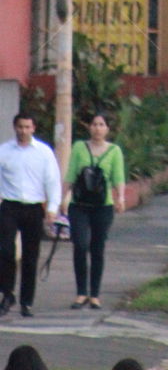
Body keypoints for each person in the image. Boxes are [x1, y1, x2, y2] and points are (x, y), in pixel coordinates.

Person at [0, 112, 62, 318]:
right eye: (20, 127)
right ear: (14, 128)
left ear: (33, 128)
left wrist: (53, 207)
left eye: (27, 127)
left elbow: (52, 181)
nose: (23, 131)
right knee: (6, 251)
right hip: (10, 206)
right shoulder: (4, 151)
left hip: (34, 207)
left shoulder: (44, 152)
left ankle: (27, 301)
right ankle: (7, 293)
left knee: (30, 256)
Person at [62, 113, 126, 311]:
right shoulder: (79, 147)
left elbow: (118, 177)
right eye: (94, 124)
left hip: (103, 207)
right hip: (79, 205)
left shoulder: (114, 151)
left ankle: (95, 294)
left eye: (101, 125)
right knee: (80, 245)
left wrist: (120, 197)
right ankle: (81, 292)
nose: (97, 128)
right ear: (89, 127)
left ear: (107, 129)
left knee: (97, 249)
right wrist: (61, 199)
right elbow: (71, 174)